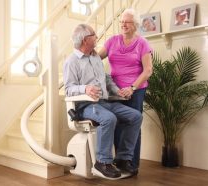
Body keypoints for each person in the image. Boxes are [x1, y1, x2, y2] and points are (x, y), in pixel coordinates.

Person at [63, 23, 142, 178]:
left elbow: (106, 78)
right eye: (94, 35)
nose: (97, 37)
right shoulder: (72, 61)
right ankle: (102, 162)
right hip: (85, 106)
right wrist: (85, 88)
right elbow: (68, 89)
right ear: (86, 40)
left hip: (104, 103)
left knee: (135, 116)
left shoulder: (95, 57)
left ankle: (122, 159)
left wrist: (116, 90)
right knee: (109, 119)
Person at [99, 8, 153, 173]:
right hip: (115, 91)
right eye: (121, 22)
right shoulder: (112, 41)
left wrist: (132, 87)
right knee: (117, 125)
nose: (123, 25)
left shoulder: (142, 43)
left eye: (127, 22)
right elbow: (95, 57)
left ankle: (132, 163)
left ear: (135, 24)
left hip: (135, 90)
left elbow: (148, 70)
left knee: (133, 124)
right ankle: (119, 161)